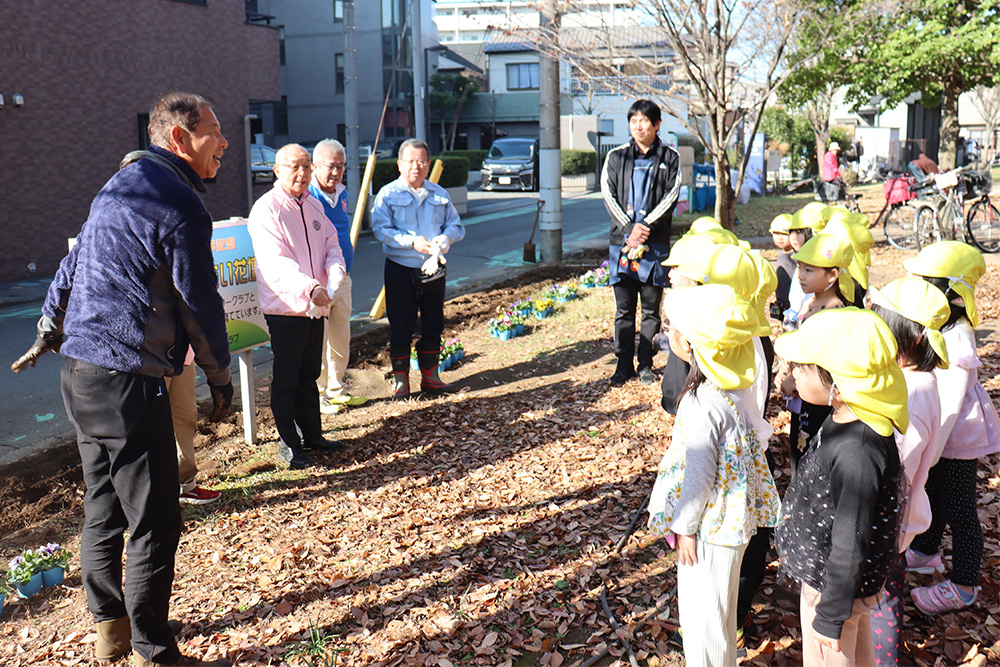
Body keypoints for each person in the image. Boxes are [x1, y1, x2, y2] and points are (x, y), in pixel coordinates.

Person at [15, 92, 234, 667]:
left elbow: (70, 268)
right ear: (179, 138)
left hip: (80, 374)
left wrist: (48, 326)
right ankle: (151, 650)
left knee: (103, 506)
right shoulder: (179, 203)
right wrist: (220, 377)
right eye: (214, 131)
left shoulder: (115, 190)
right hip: (127, 380)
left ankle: (112, 631)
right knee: (156, 519)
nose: (225, 142)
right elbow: (199, 302)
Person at [646, 284, 779, 667]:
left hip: (709, 528)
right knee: (719, 611)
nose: (669, 334)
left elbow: (700, 474)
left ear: (691, 345)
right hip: (731, 525)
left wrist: (685, 527)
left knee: (702, 619)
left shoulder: (700, 402)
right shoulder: (733, 387)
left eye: (673, 328)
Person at [774, 308, 908, 667]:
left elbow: (851, 539)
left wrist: (831, 615)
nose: (793, 373)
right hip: (839, 584)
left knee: (830, 656)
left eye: (802, 367)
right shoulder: (847, 415)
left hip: (834, 590)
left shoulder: (857, 451)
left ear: (836, 380)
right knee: (858, 654)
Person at [903, 242, 1000, 613]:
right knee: (934, 492)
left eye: (926, 281)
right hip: (939, 432)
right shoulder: (937, 325)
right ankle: (926, 550)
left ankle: (964, 584)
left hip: (954, 435)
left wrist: (931, 449)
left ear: (953, 293)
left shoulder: (957, 337)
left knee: (960, 509)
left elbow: (953, 401)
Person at [248, 144, 347, 469]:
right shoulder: (267, 209)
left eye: (306, 166)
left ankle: (312, 435)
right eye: (295, 167)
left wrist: (334, 272)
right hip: (286, 307)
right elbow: (275, 262)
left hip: (316, 305)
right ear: (277, 170)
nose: (302, 173)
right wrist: (310, 287)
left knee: (309, 373)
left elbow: (332, 245)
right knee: (287, 376)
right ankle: (289, 444)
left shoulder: (313, 204)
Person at [868, 277, 950, 666]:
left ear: (913, 338)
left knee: (880, 601)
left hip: (887, 520)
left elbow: (897, 465)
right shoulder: (914, 380)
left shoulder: (914, 394)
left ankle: (881, 660)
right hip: (895, 518)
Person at [372, 138, 465, 399]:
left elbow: (455, 225)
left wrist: (445, 238)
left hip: (432, 269)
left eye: (422, 161)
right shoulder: (387, 194)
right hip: (400, 268)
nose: (416, 166)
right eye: (411, 161)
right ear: (399, 164)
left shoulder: (439, 194)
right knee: (401, 325)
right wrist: (411, 242)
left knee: (434, 322)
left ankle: (431, 378)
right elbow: (381, 230)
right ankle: (401, 383)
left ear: (428, 164)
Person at [601, 99, 682, 386]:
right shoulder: (616, 157)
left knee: (651, 309)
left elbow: (671, 195)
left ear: (657, 124)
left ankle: (645, 363)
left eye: (644, 121)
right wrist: (628, 228)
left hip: (654, 244)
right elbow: (608, 194)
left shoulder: (670, 157)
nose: (638, 126)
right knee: (623, 310)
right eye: (633, 121)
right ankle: (623, 365)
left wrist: (644, 227)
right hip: (621, 244)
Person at [308, 139, 367, 415]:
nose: (336, 172)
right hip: (319, 281)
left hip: (343, 277)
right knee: (319, 340)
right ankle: (319, 395)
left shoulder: (342, 193)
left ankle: (337, 388)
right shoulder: (307, 197)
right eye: (331, 166)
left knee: (341, 335)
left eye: (341, 166)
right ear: (315, 166)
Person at [168, 351, 220, 505]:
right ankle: (149, 493)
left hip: (182, 354)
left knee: (185, 419)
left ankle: (186, 486)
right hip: (150, 356)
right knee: (150, 423)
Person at [769, 213, 795, 320]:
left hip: (794, 304)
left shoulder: (796, 256)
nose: (780, 238)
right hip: (782, 302)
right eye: (776, 234)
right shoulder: (781, 254)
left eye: (784, 234)